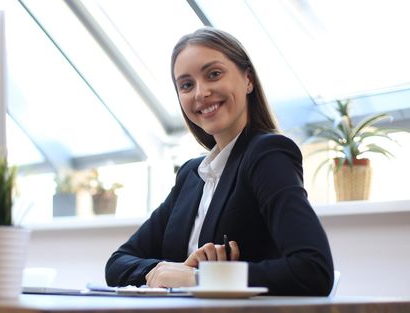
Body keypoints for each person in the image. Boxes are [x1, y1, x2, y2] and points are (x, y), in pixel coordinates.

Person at [105, 27, 334, 296]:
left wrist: (200, 278)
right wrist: (164, 271)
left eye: (213, 74)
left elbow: (313, 269)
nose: (200, 93)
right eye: (187, 85)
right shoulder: (192, 174)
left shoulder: (267, 154)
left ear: (248, 80)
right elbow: (117, 264)